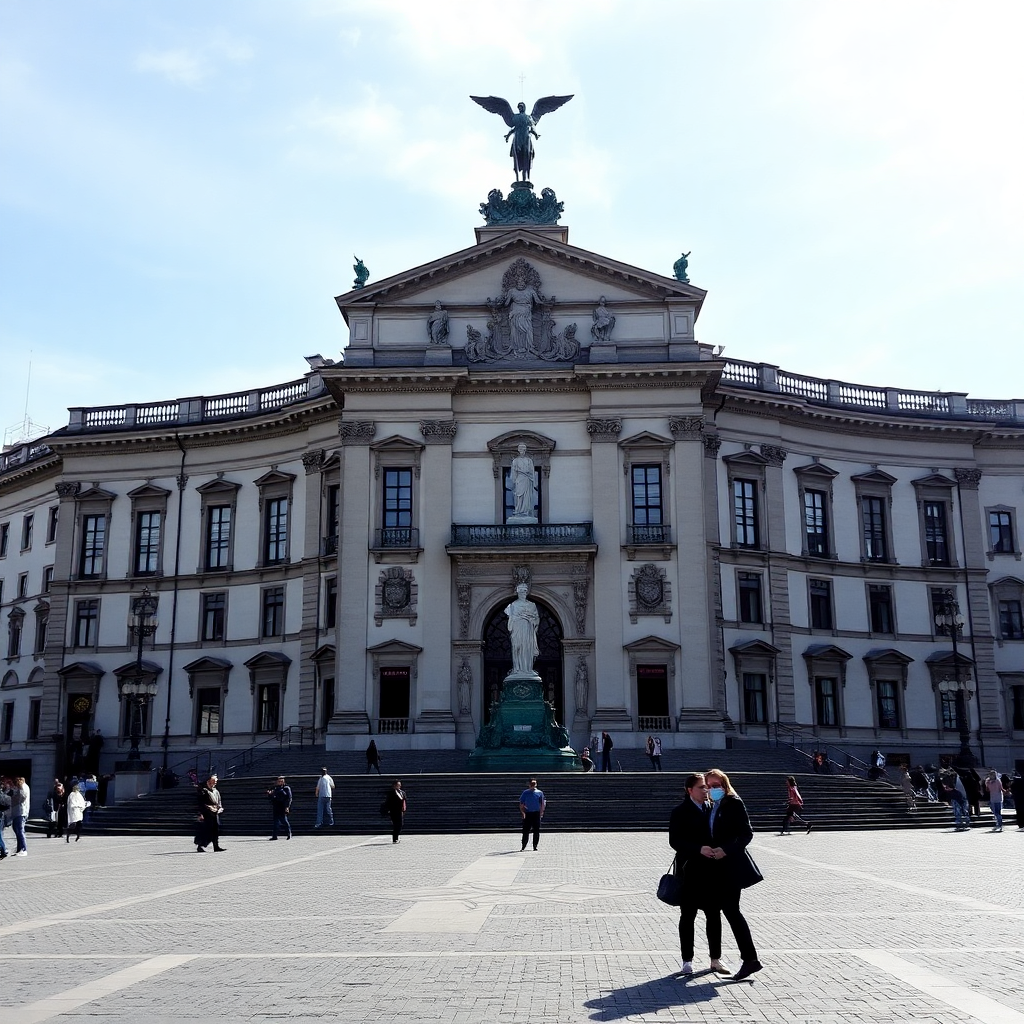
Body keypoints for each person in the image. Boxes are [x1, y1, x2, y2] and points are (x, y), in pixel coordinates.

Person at [668, 773, 732, 977]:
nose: (706, 791)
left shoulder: (713, 809)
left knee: (714, 915)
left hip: (712, 871)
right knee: (688, 916)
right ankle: (687, 960)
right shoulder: (680, 811)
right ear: (690, 790)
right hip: (689, 871)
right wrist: (698, 849)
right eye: (702, 787)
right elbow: (675, 841)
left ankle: (715, 959)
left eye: (707, 787)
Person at [704, 768, 763, 980]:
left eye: (716, 785)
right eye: (709, 786)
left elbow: (747, 833)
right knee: (727, 911)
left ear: (725, 785)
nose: (713, 789)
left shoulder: (733, 802)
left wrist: (726, 850)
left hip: (731, 866)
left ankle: (751, 959)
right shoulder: (713, 805)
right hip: (717, 867)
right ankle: (747, 959)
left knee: (732, 911)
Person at [505, 583, 540, 674]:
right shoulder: (513, 605)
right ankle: (517, 668)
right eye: (521, 591)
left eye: (525, 591)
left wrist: (532, 620)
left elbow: (536, 618)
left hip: (528, 629)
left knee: (527, 648)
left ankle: (527, 669)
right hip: (517, 629)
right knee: (517, 647)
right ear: (518, 592)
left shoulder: (532, 605)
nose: (523, 593)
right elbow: (511, 620)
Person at [195, 774, 225, 853]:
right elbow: (201, 803)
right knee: (207, 830)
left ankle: (216, 846)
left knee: (216, 829)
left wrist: (220, 808)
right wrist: (201, 813)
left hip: (215, 813)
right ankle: (200, 845)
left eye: (215, 781)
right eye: (213, 781)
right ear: (208, 782)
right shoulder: (204, 791)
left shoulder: (216, 791)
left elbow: (219, 801)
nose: (215, 783)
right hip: (207, 813)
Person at [509, 444, 537, 519]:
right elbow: (513, 472)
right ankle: (518, 510)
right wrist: (514, 482)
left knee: (526, 496)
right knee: (518, 495)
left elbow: (532, 472)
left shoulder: (529, 460)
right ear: (518, 451)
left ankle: (525, 511)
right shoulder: (515, 461)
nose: (522, 451)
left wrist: (532, 481)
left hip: (527, 479)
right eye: (521, 450)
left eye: (523, 450)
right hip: (519, 479)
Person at [519, 778, 546, 851]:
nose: (533, 785)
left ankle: (535, 846)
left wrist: (541, 812)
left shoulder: (539, 793)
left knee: (536, 830)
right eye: (532, 784)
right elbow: (521, 803)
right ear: (529, 784)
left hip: (536, 813)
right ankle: (523, 845)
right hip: (528, 813)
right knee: (526, 830)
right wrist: (523, 812)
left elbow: (542, 803)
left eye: (534, 783)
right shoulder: (525, 793)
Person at [267, 776, 292, 840]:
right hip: (276, 806)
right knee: (275, 822)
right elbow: (271, 798)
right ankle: (274, 836)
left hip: (282, 806)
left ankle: (289, 834)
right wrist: (270, 794)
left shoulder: (286, 788)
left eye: (281, 781)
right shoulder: (274, 788)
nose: (280, 782)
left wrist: (287, 807)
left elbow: (289, 798)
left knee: (284, 821)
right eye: (279, 781)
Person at [11, 776, 29, 857]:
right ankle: (19, 849)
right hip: (18, 812)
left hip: (21, 812)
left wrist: (14, 798)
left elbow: (22, 797)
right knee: (17, 830)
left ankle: (23, 849)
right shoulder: (21, 787)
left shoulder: (23, 787)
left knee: (20, 830)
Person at [383, 779, 407, 843]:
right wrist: (388, 810)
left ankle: (396, 836)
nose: (399, 786)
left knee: (400, 824)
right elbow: (388, 802)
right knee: (396, 824)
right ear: (394, 785)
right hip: (394, 811)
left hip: (401, 811)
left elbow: (404, 800)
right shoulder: (391, 793)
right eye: (398, 785)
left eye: (400, 785)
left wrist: (404, 808)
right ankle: (395, 838)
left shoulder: (402, 792)